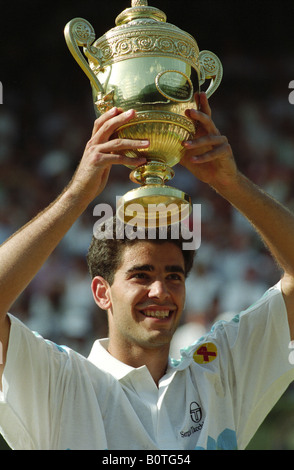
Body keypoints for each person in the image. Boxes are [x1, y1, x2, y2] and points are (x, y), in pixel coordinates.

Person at [0, 93, 294, 450]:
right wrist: (77, 194)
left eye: (174, 275)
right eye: (141, 275)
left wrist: (231, 184)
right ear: (101, 292)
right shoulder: (59, 380)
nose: (161, 291)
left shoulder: (220, 370)